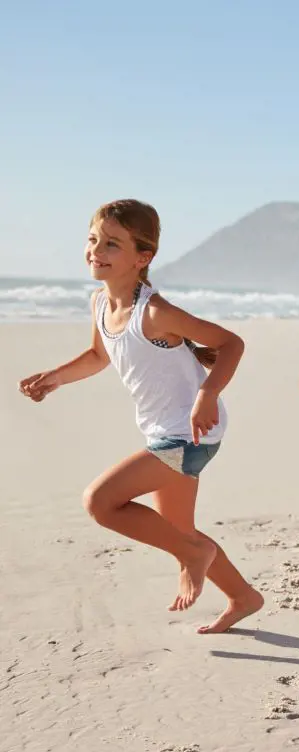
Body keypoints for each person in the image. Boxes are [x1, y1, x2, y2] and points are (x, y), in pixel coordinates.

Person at [18, 199, 264, 633]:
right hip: (164, 432)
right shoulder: (100, 303)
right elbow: (99, 355)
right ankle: (243, 596)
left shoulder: (155, 313)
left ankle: (193, 557)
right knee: (177, 529)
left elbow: (231, 344)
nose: (97, 250)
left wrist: (208, 392)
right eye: (93, 239)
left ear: (142, 257)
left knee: (101, 501)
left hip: (191, 434)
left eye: (112, 244)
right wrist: (55, 378)